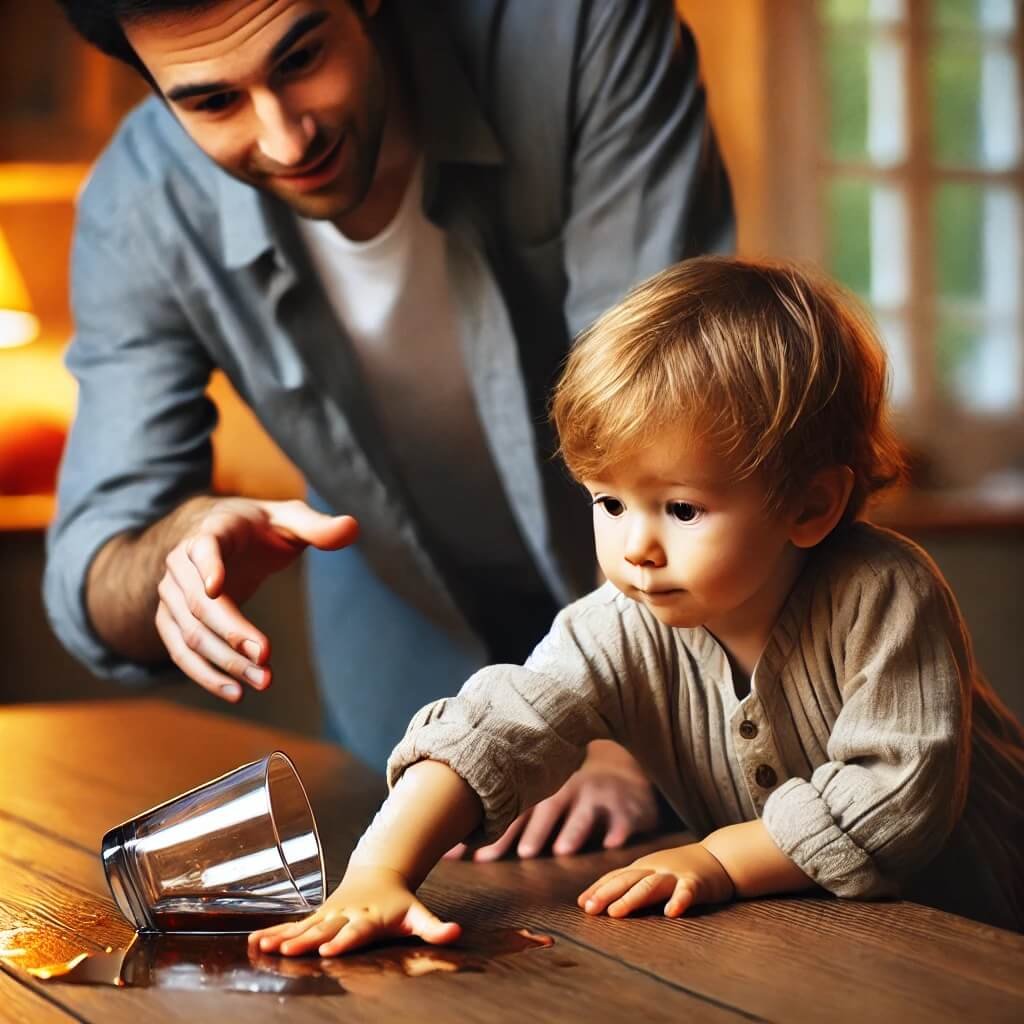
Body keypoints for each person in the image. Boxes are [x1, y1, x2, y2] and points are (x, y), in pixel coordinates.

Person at [46, 0, 734, 860]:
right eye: (212, 103)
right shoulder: (137, 207)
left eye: (301, 58)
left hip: (671, 647)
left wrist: (619, 723)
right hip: (405, 646)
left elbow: (682, 418)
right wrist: (177, 543)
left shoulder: (582, 32)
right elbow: (94, 572)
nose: (287, 139)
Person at [248, 255, 1024, 959]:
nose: (636, 548)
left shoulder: (884, 594)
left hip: (986, 936)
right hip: (842, 950)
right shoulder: (618, 625)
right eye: (609, 502)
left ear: (811, 505)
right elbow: (495, 729)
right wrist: (379, 873)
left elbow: (895, 793)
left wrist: (720, 858)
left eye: (681, 510)